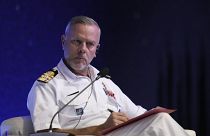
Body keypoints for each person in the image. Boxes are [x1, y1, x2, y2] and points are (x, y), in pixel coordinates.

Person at [27, 16, 193, 136]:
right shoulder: (47, 85)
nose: (83, 49)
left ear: (96, 50)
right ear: (63, 42)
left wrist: (152, 114)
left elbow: (136, 113)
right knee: (161, 122)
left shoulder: (103, 81)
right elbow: (46, 135)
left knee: (165, 122)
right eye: (77, 42)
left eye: (89, 44)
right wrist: (99, 128)